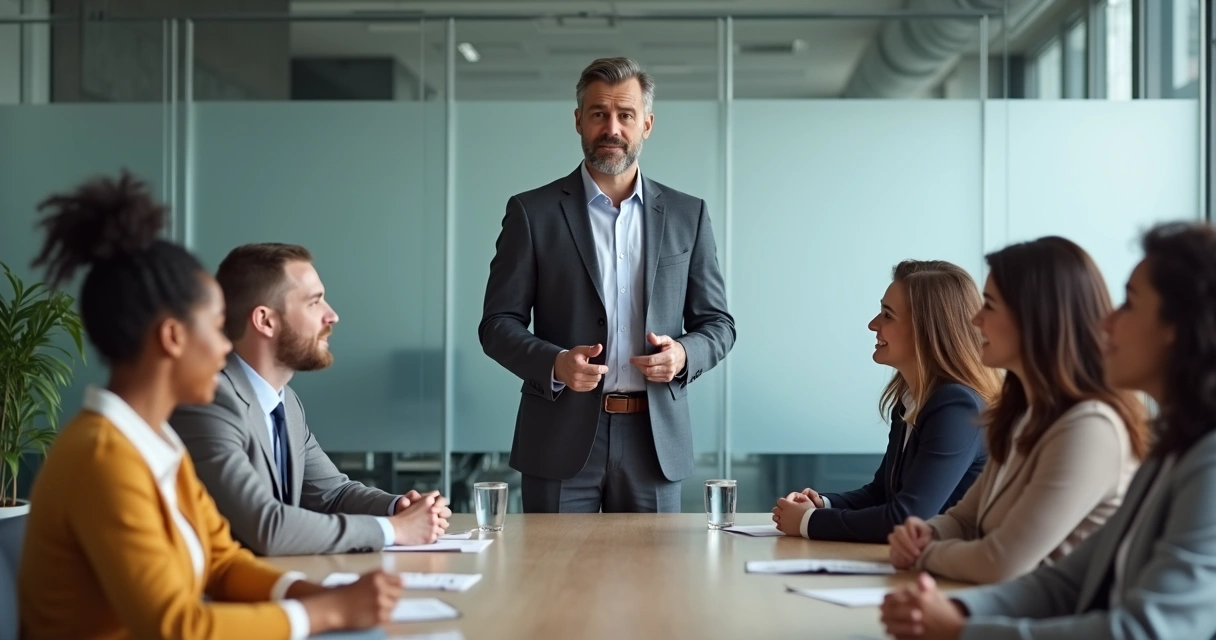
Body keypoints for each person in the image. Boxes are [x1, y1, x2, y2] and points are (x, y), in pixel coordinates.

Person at [17, 172, 402, 639]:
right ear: (173, 337)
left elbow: (223, 563)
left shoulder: (156, 443)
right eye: (216, 326)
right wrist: (326, 613)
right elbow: (177, 626)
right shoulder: (102, 456)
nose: (225, 347)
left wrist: (315, 594)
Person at [880, 221, 1216, 640]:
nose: (1107, 324)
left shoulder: (1109, 433)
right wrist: (956, 612)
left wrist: (958, 619)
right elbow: (1065, 583)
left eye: (1128, 304)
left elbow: (1143, 630)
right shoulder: (1171, 447)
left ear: (1176, 328)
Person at [478, 57, 735, 513]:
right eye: (599, 113)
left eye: (625, 115)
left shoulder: (687, 214)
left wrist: (682, 355)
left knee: (656, 563)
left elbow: (718, 324)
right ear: (579, 120)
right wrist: (555, 363)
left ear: (647, 125)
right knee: (554, 563)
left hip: (654, 441)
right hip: (557, 438)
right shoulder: (532, 213)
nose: (611, 128)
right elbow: (497, 324)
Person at [887, 237, 1149, 585]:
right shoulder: (1022, 416)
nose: (975, 320)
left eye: (990, 306)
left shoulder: (1089, 429)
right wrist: (926, 534)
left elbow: (1000, 562)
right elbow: (964, 520)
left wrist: (922, 553)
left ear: (1036, 318)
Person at [169, 243, 449, 556]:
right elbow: (266, 527)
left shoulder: (285, 402)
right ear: (265, 321)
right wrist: (395, 529)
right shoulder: (209, 400)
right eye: (314, 303)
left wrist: (398, 507)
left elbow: (331, 494)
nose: (332, 316)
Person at [771, 261, 1001, 542]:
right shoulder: (910, 400)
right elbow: (882, 493)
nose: (873, 324)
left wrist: (808, 521)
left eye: (887, 315)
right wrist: (822, 504)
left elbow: (907, 518)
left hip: (951, 565)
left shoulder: (956, 407)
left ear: (926, 329)